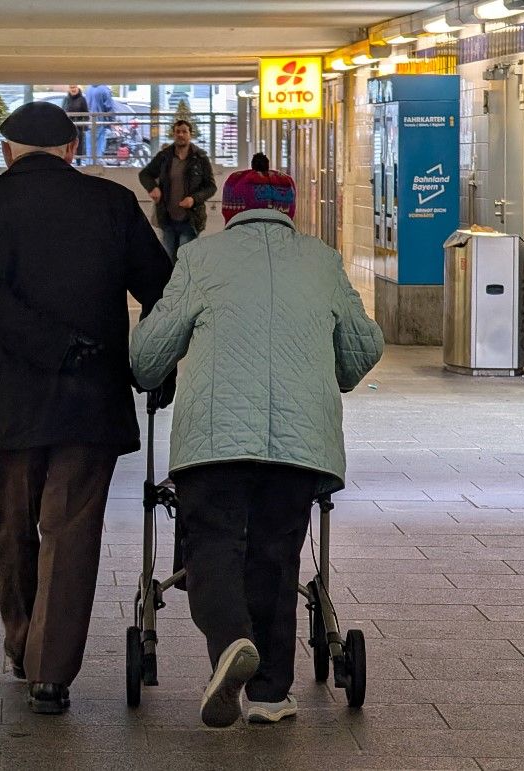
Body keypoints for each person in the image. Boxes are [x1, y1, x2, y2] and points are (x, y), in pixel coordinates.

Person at [129, 153, 383, 728]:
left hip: (214, 440)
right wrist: (333, 370)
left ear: (231, 211)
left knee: (212, 543)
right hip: (300, 443)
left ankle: (229, 646)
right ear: (289, 214)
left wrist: (156, 359)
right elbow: (363, 348)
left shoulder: (199, 256)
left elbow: (147, 359)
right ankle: (270, 693)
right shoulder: (323, 260)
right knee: (276, 550)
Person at [0, 101, 174, 715]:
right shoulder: (111, 204)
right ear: (71, 150)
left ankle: (24, 643)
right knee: (72, 528)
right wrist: (154, 362)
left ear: (9, 150)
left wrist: (49, 348)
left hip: (12, 394)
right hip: (91, 394)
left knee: (12, 524)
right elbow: (160, 287)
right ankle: (50, 673)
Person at [138, 119, 217, 261]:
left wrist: (194, 199)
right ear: (173, 134)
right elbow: (145, 174)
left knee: (184, 259)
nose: (181, 135)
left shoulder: (200, 158)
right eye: (177, 132)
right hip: (167, 219)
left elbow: (211, 187)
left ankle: (184, 283)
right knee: (168, 260)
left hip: (191, 219)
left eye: (184, 132)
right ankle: (171, 283)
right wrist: (153, 187)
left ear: (190, 134)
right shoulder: (164, 157)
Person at [85, 83, 115, 164]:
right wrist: (112, 121)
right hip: (100, 121)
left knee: (89, 147)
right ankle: (96, 167)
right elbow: (109, 107)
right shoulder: (104, 90)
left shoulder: (88, 89)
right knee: (99, 147)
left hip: (89, 121)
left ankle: (88, 166)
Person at [61, 85, 88, 166]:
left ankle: (78, 162)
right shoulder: (66, 99)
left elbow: (86, 114)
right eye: (71, 88)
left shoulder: (82, 99)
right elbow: (62, 112)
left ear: (78, 88)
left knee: (78, 145)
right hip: (68, 126)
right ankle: (67, 162)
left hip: (79, 127)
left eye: (74, 87)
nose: (73, 89)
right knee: (67, 144)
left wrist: (84, 125)